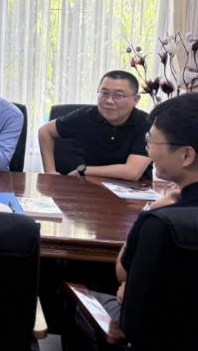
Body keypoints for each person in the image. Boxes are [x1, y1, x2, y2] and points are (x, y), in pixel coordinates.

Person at [64, 93, 198, 350]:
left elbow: (122, 272)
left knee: (80, 297)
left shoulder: (160, 220)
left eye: (151, 140)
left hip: (152, 336)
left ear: (186, 156)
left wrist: (152, 208)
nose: (148, 149)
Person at [38, 70, 151, 180]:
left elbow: (132, 172)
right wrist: (50, 171)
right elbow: (45, 131)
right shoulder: (84, 116)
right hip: (89, 187)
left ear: (136, 99)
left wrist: (83, 171)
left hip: (132, 189)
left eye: (118, 96)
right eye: (104, 93)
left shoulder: (147, 124)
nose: (109, 101)